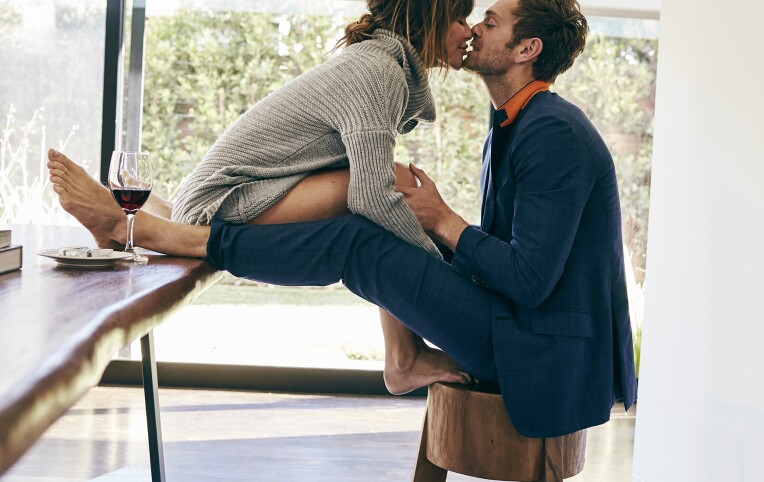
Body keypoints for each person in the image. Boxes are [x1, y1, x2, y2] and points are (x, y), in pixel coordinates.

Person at [50, 0, 637, 437]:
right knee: (377, 198)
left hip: (540, 349)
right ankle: (169, 226)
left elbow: (530, 278)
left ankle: (166, 229)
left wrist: (446, 226)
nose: (475, 28)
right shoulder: (513, 122)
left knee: (365, 230)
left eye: (491, 21)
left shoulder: (552, 133)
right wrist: (437, 238)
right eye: (470, 16)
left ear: (526, 49)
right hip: (521, 327)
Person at [50, 0, 477, 395]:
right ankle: (141, 223)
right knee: (380, 187)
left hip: (233, 193)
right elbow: (369, 195)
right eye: (461, 18)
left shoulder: (380, 65)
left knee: (391, 180)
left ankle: (403, 356)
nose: (469, 29)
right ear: (433, 19)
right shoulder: (379, 71)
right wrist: (441, 274)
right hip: (222, 199)